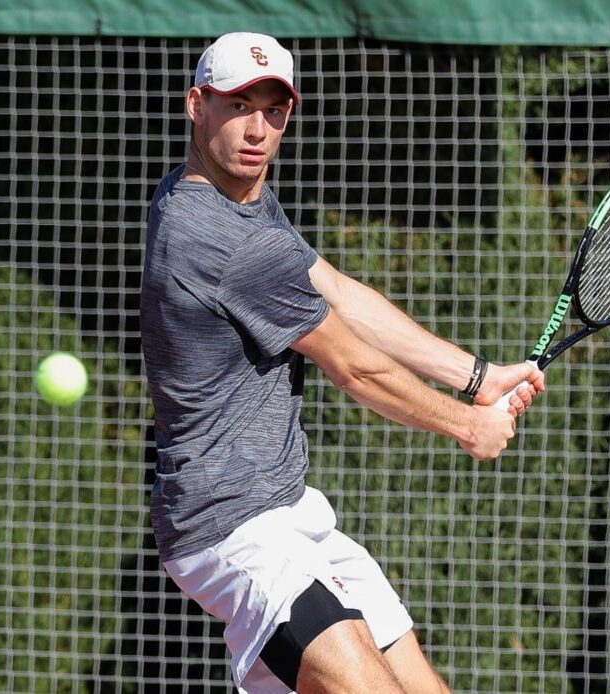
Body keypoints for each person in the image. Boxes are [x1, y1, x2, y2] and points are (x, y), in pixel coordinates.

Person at [140, 31, 545, 694]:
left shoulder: (237, 202)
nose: (257, 128)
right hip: (232, 531)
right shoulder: (219, 240)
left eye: (274, 110)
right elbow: (355, 365)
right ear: (196, 104)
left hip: (291, 513)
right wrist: (469, 426)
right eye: (239, 104)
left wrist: (480, 376)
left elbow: (337, 291)